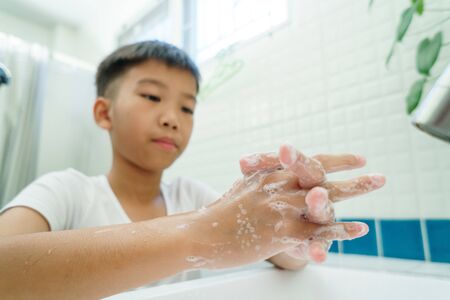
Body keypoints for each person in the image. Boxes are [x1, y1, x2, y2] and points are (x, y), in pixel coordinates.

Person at [0, 40, 385, 299]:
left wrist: (295, 230)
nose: (172, 119)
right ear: (104, 112)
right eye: (152, 97)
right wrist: (200, 234)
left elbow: (286, 260)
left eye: (187, 108)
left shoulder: (194, 197)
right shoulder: (65, 191)